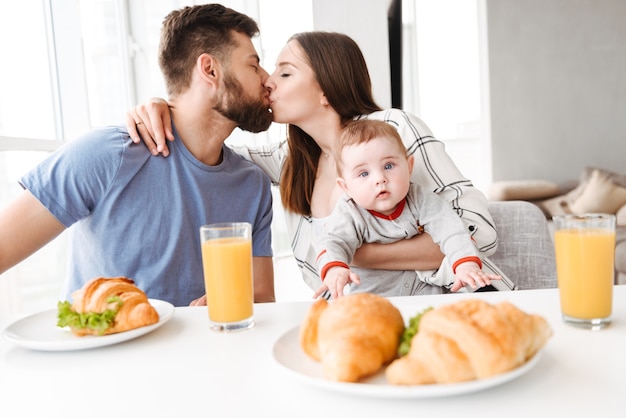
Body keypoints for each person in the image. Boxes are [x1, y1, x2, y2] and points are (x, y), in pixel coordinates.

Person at [127, 31, 517, 298]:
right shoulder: (290, 162)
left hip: (447, 304)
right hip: (364, 323)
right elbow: (203, 146)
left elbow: (479, 232)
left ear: (326, 89)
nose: (268, 82)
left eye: (284, 72)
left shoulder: (392, 132)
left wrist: (350, 253)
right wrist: (168, 109)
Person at [0, 4, 276, 307]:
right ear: (210, 70)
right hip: (100, 352)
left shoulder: (253, 185)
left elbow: (261, 298)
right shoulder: (106, 155)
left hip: (203, 353)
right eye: (254, 65)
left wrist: (228, 302)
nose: (267, 79)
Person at [314, 119, 501, 299]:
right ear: (346, 187)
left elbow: (451, 230)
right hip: (375, 299)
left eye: (389, 166)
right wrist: (334, 269)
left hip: (426, 293)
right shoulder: (349, 211)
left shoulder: (419, 198)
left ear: (409, 166)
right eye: (364, 173)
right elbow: (332, 241)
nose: (380, 178)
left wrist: (465, 264)